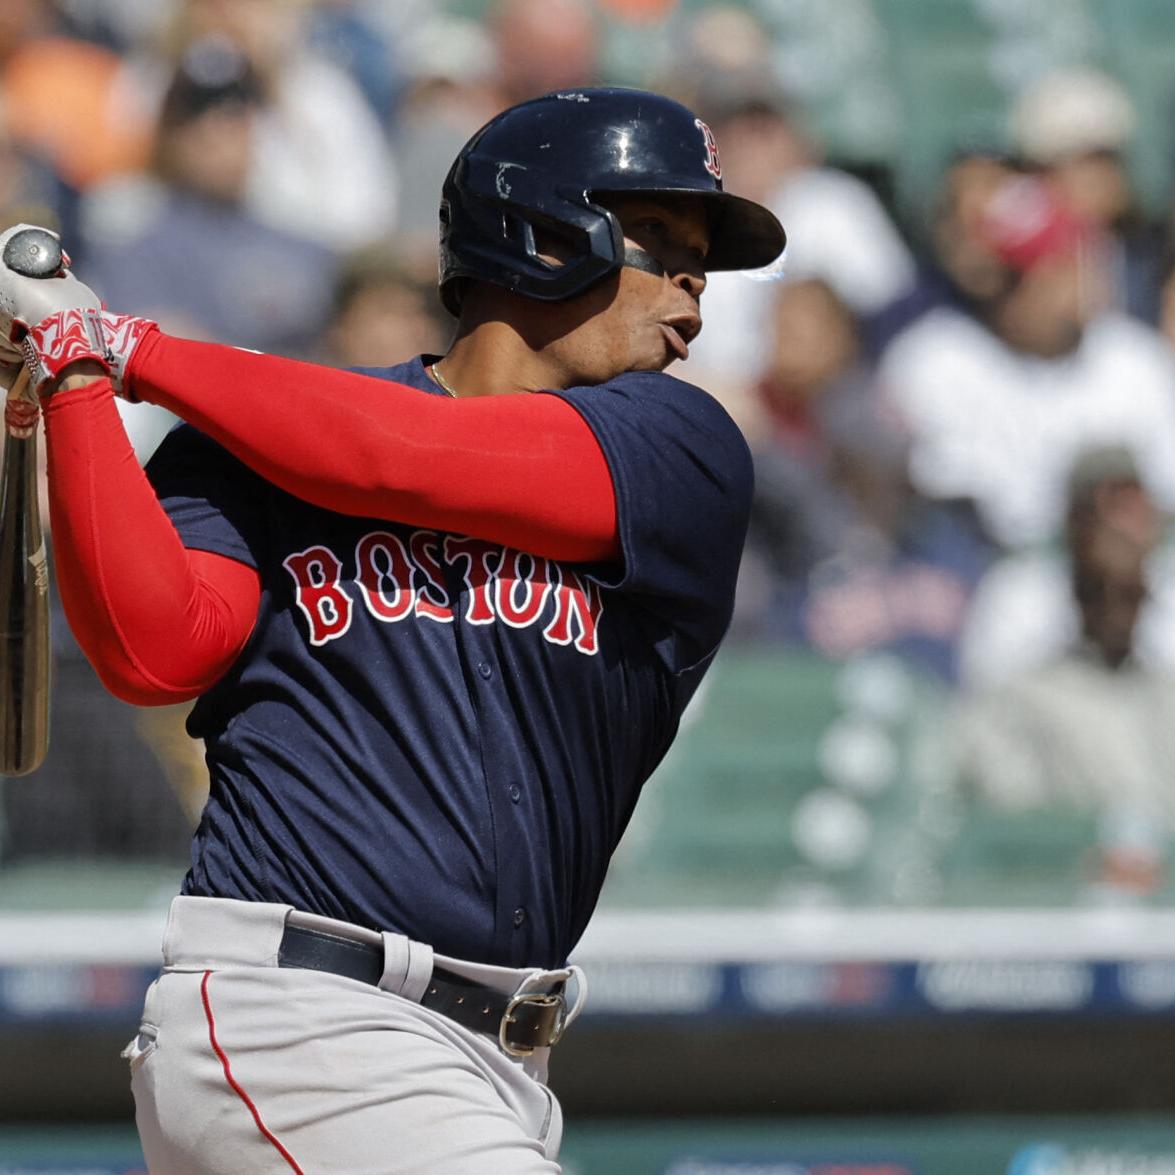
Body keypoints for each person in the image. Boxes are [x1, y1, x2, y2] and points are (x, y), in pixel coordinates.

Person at [0, 87, 784, 1173]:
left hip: (498, 1057)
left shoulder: (680, 448)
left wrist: (129, 346)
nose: (692, 287)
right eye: (660, 241)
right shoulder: (255, 443)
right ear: (545, 233)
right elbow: (155, 648)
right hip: (299, 1016)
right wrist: (78, 375)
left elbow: (407, 458)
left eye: (702, 260)